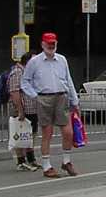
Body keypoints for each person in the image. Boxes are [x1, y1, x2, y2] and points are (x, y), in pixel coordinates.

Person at [21, 32, 80, 178]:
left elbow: (68, 80)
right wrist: (35, 96)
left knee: (68, 132)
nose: (51, 46)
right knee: (47, 133)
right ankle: (47, 166)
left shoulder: (62, 60)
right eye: (48, 44)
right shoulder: (34, 62)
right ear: (42, 45)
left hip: (61, 96)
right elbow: (25, 81)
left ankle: (66, 161)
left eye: (53, 43)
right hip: (44, 97)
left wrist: (74, 100)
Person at [8, 51, 39, 171]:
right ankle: (21, 161)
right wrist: (20, 111)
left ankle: (31, 159)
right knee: (20, 135)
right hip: (22, 110)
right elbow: (15, 93)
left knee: (30, 135)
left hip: (32, 109)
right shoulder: (17, 72)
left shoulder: (28, 72)